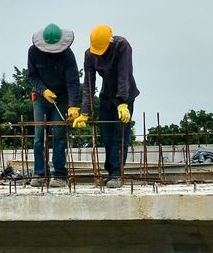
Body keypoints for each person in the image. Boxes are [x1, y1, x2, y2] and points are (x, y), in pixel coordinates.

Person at [73, 24, 139, 188]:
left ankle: (116, 174)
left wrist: (123, 102)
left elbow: (124, 74)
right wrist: (85, 112)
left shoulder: (122, 46)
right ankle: (111, 171)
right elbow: (89, 84)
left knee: (119, 135)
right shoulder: (90, 55)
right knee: (107, 136)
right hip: (106, 98)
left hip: (125, 96)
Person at [27, 23, 81, 186]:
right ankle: (40, 173)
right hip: (41, 98)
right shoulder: (33, 52)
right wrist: (43, 91)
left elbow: (73, 81)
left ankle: (59, 175)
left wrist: (73, 105)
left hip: (62, 97)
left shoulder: (67, 55)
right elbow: (32, 76)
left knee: (59, 134)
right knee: (39, 136)